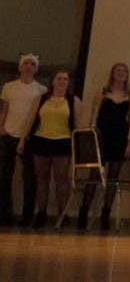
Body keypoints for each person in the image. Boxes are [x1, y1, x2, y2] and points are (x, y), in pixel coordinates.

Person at [24, 70, 83, 228]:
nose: (62, 81)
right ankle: (41, 213)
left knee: (61, 181)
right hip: (40, 141)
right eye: (59, 78)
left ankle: (63, 214)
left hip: (62, 143)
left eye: (65, 79)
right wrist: (23, 139)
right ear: (53, 81)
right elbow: (31, 120)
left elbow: (78, 125)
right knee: (42, 180)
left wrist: (78, 147)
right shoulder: (41, 99)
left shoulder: (73, 100)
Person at [81, 62, 130, 230]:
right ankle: (83, 213)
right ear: (112, 73)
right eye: (118, 70)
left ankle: (105, 215)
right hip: (101, 137)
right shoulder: (102, 92)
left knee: (113, 177)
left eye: (124, 71)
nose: (121, 73)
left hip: (119, 139)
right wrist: (92, 138)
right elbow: (94, 117)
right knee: (94, 175)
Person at [0, 53, 47, 226]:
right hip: (8, 134)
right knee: (4, 176)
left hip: (28, 138)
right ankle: (5, 215)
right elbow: (4, 110)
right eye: (26, 64)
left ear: (36, 69)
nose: (28, 67)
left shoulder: (41, 90)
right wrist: (1, 127)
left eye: (32, 64)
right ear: (20, 67)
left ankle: (27, 216)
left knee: (29, 178)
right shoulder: (8, 87)